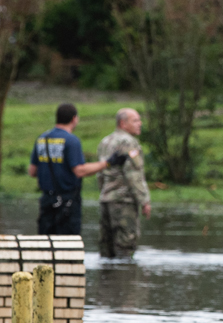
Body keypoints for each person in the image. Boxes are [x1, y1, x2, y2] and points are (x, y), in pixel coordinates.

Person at [27, 102, 114, 236]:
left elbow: (32, 172)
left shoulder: (42, 139)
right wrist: (106, 163)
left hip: (46, 201)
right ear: (74, 119)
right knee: (67, 246)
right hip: (68, 201)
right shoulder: (71, 140)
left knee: (46, 244)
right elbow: (80, 170)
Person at [96, 108, 152, 259]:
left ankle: (107, 280)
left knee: (106, 249)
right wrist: (144, 201)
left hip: (106, 200)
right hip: (124, 201)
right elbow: (134, 175)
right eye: (135, 120)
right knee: (125, 248)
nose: (140, 124)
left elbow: (100, 173)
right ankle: (124, 280)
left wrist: (103, 192)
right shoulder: (129, 142)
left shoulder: (105, 141)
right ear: (123, 123)